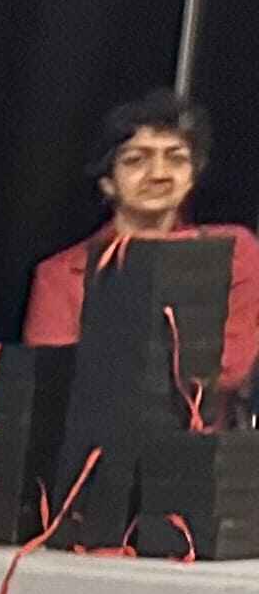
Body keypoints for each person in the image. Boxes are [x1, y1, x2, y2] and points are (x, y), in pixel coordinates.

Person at [21, 90, 259, 402]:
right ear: (107, 181)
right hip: (99, 446)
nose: (158, 174)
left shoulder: (234, 248)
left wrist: (114, 360)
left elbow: (229, 368)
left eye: (176, 158)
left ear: (192, 176)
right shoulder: (60, 274)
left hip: (204, 445)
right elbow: (57, 385)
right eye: (136, 160)